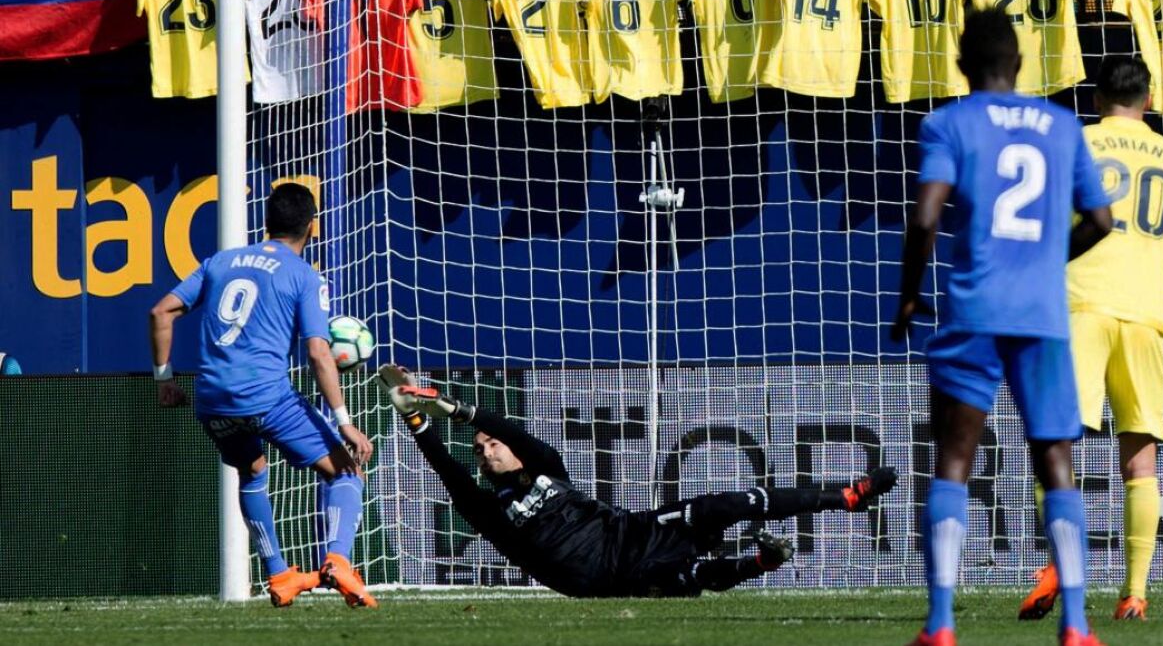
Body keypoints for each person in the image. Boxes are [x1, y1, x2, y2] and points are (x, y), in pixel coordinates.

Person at [891, 7, 1113, 646]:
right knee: (1055, 459)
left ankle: (941, 623)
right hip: (1042, 317)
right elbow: (1101, 220)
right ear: (1019, 63)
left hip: (975, 311)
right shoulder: (1063, 125)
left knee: (954, 459)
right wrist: (1047, 263)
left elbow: (926, 217)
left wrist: (908, 297)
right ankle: (1076, 624)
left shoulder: (947, 123)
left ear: (961, 65)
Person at [375, 364, 897, 598]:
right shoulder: (490, 513)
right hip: (598, 579)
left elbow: (517, 434)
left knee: (721, 504)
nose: (487, 451)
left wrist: (458, 410)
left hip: (628, 533)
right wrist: (414, 420)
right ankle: (761, 563)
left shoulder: (547, 467)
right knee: (687, 577)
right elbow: (449, 474)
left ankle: (844, 496)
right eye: (480, 450)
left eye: (492, 443)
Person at [1018, 55, 1163, 622]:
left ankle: (1060, 562)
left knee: (1055, 445)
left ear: (1096, 100)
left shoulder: (1074, 142)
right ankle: (1135, 594)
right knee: (1141, 462)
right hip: (1146, 318)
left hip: (1078, 307)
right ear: (1150, 101)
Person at [149, 183, 376, 608]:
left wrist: (164, 380)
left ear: (266, 222)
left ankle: (279, 574)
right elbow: (318, 352)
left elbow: (161, 311)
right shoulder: (304, 275)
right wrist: (344, 421)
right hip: (267, 398)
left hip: (212, 398)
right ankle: (338, 561)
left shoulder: (220, 261)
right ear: (312, 227)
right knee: (346, 473)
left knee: (252, 472)